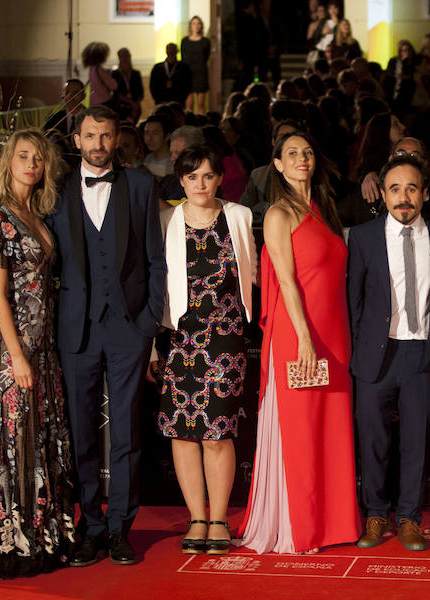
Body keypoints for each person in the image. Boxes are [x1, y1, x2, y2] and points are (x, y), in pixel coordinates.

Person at [47, 104, 166, 567]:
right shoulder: (54, 191)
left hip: (127, 328)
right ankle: (90, 526)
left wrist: (148, 323)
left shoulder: (139, 185)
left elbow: (156, 260)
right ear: (76, 140)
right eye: (90, 136)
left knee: (126, 434)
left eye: (106, 136)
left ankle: (121, 528)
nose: (98, 145)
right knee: (81, 435)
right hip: (75, 327)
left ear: (118, 139)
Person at [236, 131, 360, 554]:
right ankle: (298, 527)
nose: (302, 159)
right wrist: (305, 340)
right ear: (278, 165)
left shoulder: (324, 209)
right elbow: (286, 282)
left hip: (333, 334)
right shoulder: (278, 214)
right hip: (298, 336)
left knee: (331, 432)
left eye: (307, 152)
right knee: (302, 433)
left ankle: (333, 524)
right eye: (292, 154)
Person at [0, 129, 75, 578]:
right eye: (23, 156)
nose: (31, 164)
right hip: (15, 351)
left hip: (43, 347)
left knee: (41, 441)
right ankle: (13, 542)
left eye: (38, 158)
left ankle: (42, 535)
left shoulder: (37, 216)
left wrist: (37, 354)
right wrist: (19, 357)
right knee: (15, 444)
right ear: (9, 163)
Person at [150, 144, 255, 556]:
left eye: (208, 176)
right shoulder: (164, 221)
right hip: (178, 340)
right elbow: (153, 287)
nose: (200, 184)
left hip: (226, 338)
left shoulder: (240, 217)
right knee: (182, 432)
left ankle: (219, 519)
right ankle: (196, 516)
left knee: (217, 433)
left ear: (220, 178)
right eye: (192, 177)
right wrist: (151, 349)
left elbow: (255, 274)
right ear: (181, 180)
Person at [347, 154, 430, 552]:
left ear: (424, 193)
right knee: (372, 440)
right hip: (376, 356)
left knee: (417, 441)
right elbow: (352, 301)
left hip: (422, 355)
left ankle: (408, 517)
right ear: (383, 195)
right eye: (394, 189)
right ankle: (374, 513)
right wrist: (359, 350)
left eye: (411, 189)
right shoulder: (364, 236)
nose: (403, 197)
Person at [182, 16, 212, 115]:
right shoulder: (185, 41)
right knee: (189, 105)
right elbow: (183, 56)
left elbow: (206, 56)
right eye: (194, 23)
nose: (196, 26)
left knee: (200, 105)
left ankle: (201, 124)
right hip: (187, 74)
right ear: (190, 25)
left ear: (201, 26)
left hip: (200, 73)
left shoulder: (205, 41)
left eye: (198, 23)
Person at [111, 48, 144, 123]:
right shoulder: (115, 74)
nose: (124, 58)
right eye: (122, 56)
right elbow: (116, 93)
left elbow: (140, 91)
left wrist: (136, 105)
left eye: (126, 56)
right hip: (121, 107)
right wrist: (131, 103)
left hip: (135, 105)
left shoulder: (136, 73)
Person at [81, 42, 118, 107]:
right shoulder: (99, 70)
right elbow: (113, 86)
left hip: (94, 102)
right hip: (104, 102)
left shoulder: (92, 69)